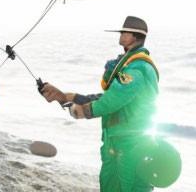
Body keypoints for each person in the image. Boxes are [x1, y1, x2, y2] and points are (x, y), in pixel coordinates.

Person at [39, 16, 159, 192]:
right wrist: (66, 97)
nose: (120, 35)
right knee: (113, 184)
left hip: (129, 141)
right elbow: (108, 96)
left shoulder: (136, 68)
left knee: (128, 186)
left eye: (124, 32)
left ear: (135, 36)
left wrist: (82, 111)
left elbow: (112, 100)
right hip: (120, 139)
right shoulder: (130, 64)